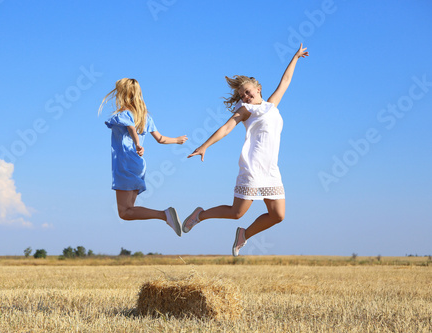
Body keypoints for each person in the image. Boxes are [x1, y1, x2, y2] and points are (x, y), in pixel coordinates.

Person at [185, 44, 309, 256]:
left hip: (271, 169)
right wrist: (204, 146)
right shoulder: (246, 110)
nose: (245, 96)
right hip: (253, 167)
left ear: (258, 89)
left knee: (278, 215)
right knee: (236, 213)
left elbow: (285, 81)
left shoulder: (271, 105)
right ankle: (200, 215)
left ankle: (244, 235)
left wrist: (296, 57)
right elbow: (226, 128)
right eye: (242, 95)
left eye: (248, 92)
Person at [100, 78, 188, 236]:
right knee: (127, 211)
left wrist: (137, 143)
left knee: (124, 212)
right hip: (137, 164)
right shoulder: (145, 117)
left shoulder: (124, 114)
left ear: (123, 94)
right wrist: (177, 140)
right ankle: (164, 216)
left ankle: (164, 215)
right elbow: (160, 139)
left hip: (125, 163)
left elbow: (131, 128)